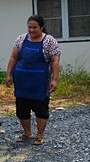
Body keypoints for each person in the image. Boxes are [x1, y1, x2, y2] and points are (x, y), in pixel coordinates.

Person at [6, 14, 61, 145]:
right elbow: (13, 57)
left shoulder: (49, 41)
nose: (31, 30)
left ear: (41, 27)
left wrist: (55, 79)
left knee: (41, 109)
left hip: (40, 83)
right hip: (22, 82)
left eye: (34, 27)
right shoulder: (21, 39)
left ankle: (40, 135)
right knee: (22, 110)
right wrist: (8, 74)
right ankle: (27, 133)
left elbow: (55, 61)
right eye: (29, 27)